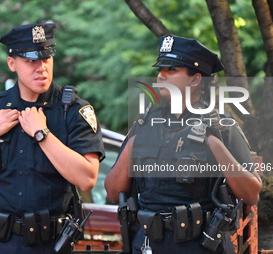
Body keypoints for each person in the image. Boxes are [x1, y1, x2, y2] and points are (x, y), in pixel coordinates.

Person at [0, 22, 105, 254]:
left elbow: (87, 179)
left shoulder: (73, 111)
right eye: (31, 61)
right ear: (12, 63)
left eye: (46, 59)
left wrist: (42, 134)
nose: (41, 68)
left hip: (49, 244)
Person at [105, 35, 262, 254]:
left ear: (195, 79)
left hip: (199, 245)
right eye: (160, 70)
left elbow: (251, 194)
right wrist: (134, 143)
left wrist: (214, 144)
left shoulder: (221, 126)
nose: (161, 76)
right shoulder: (144, 124)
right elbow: (113, 192)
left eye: (171, 70)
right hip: (148, 243)